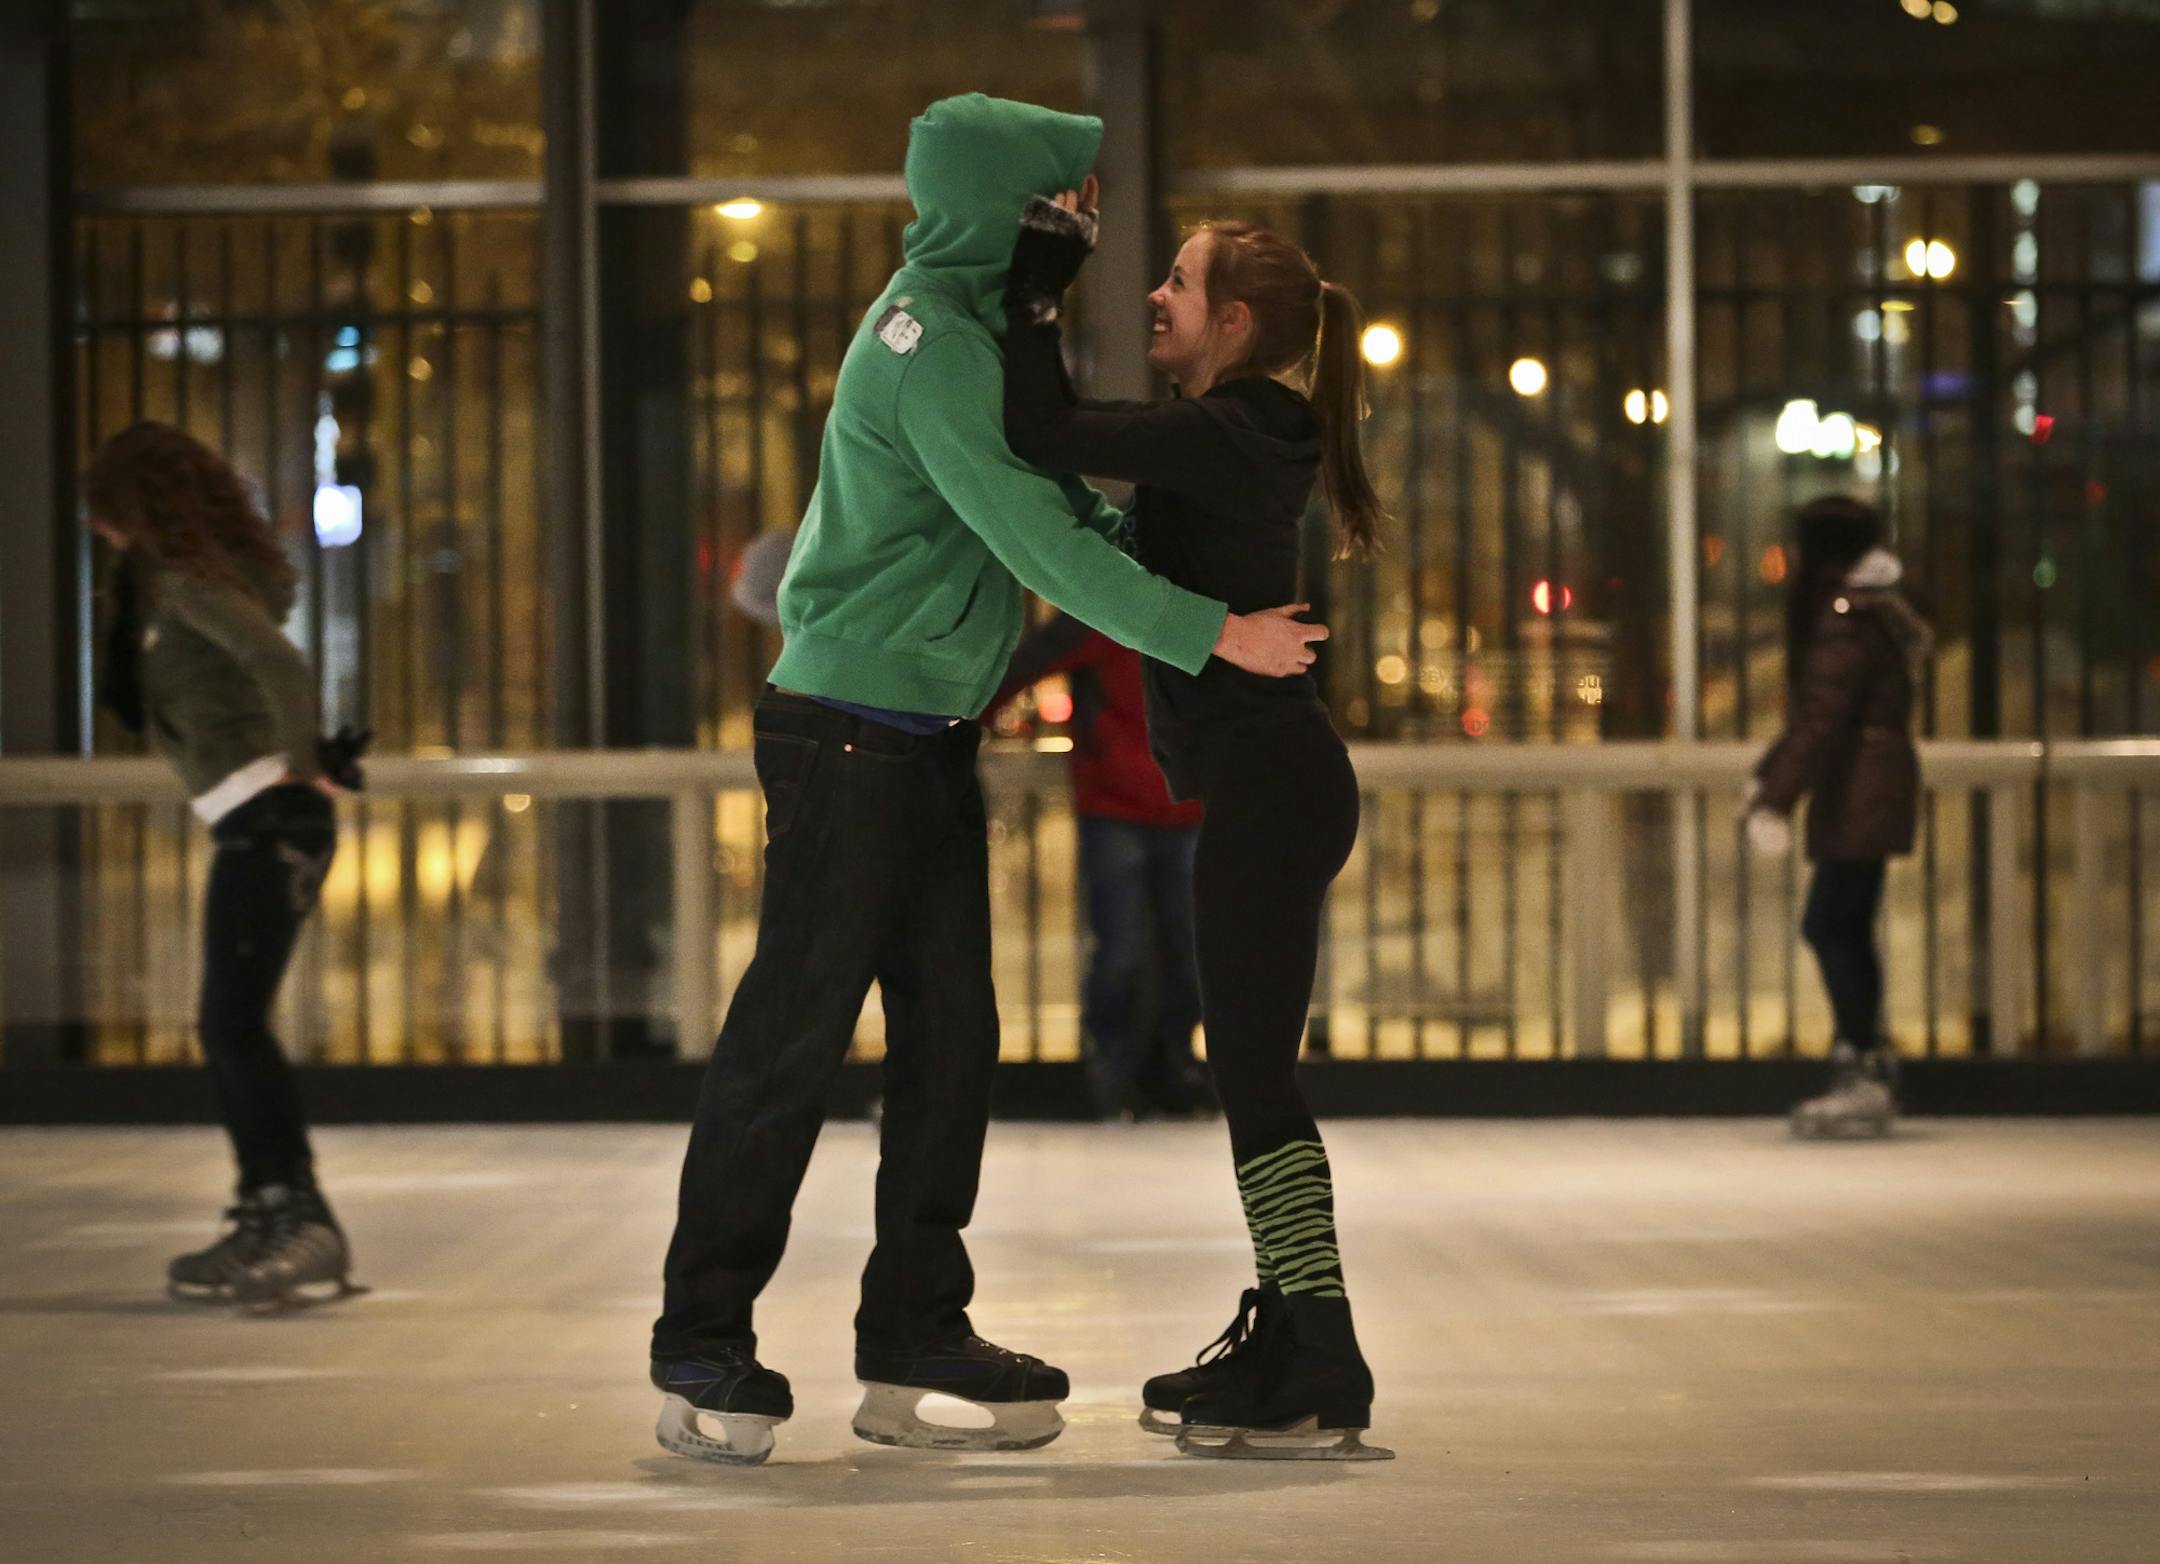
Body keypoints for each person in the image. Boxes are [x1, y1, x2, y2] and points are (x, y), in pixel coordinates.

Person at [647, 94, 1327, 1467]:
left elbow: (1065, 489)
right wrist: (1213, 632)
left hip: (917, 728)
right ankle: (702, 1339)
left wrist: (1187, 512)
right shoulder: (930, 343)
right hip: (847, 726)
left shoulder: (977, 334)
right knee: (794, 1027)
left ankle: (912, 1334)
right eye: (1068, 195)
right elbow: (1037, 535)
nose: (1086, 220)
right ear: (1005, 200)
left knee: (954, 1035)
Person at [1000, 190, 1389, 1459]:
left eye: (1174, 282)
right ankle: (1296, 1333)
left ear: (1230, 320)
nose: (1154, 298)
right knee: (1253, 1073)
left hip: (1275, 787)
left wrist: (1034, 290)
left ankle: (1318, 1351)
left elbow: (1042, 425)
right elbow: (1120, 532)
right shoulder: (1240, 428)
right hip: (1274, 782)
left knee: (1257, 1078)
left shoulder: (1228, 428)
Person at [86, 420, 367, 1313]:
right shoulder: (163, 586)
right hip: (254, 815)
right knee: (231, 1023)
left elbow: (277, 659)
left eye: (105, 515)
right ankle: (268, 1210)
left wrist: (306, 758)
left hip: (270, 812)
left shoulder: (183, 584)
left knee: (231, 1024)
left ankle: (296, 1218)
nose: (98, 533)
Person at [1745, 497, 1930, 1138]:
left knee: (1829, 923)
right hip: (1869, 785)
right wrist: (1773, 778)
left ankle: (1862, 1067)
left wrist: (1774, 798)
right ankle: (1866, 1057)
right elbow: (1820, 720)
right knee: (1845, 924)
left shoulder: (1845, 619)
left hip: (1861, 788)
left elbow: (1821, 721)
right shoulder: (1870, 610)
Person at [985, 611, 1210, 1122]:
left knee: (1183, 950)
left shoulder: (1192, 607)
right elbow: (1024, 665)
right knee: (1126, 949)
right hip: (1119, 807)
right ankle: (1119, 1071)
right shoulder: (1106, 610)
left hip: (1177, 805)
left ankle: (1162, 1067)